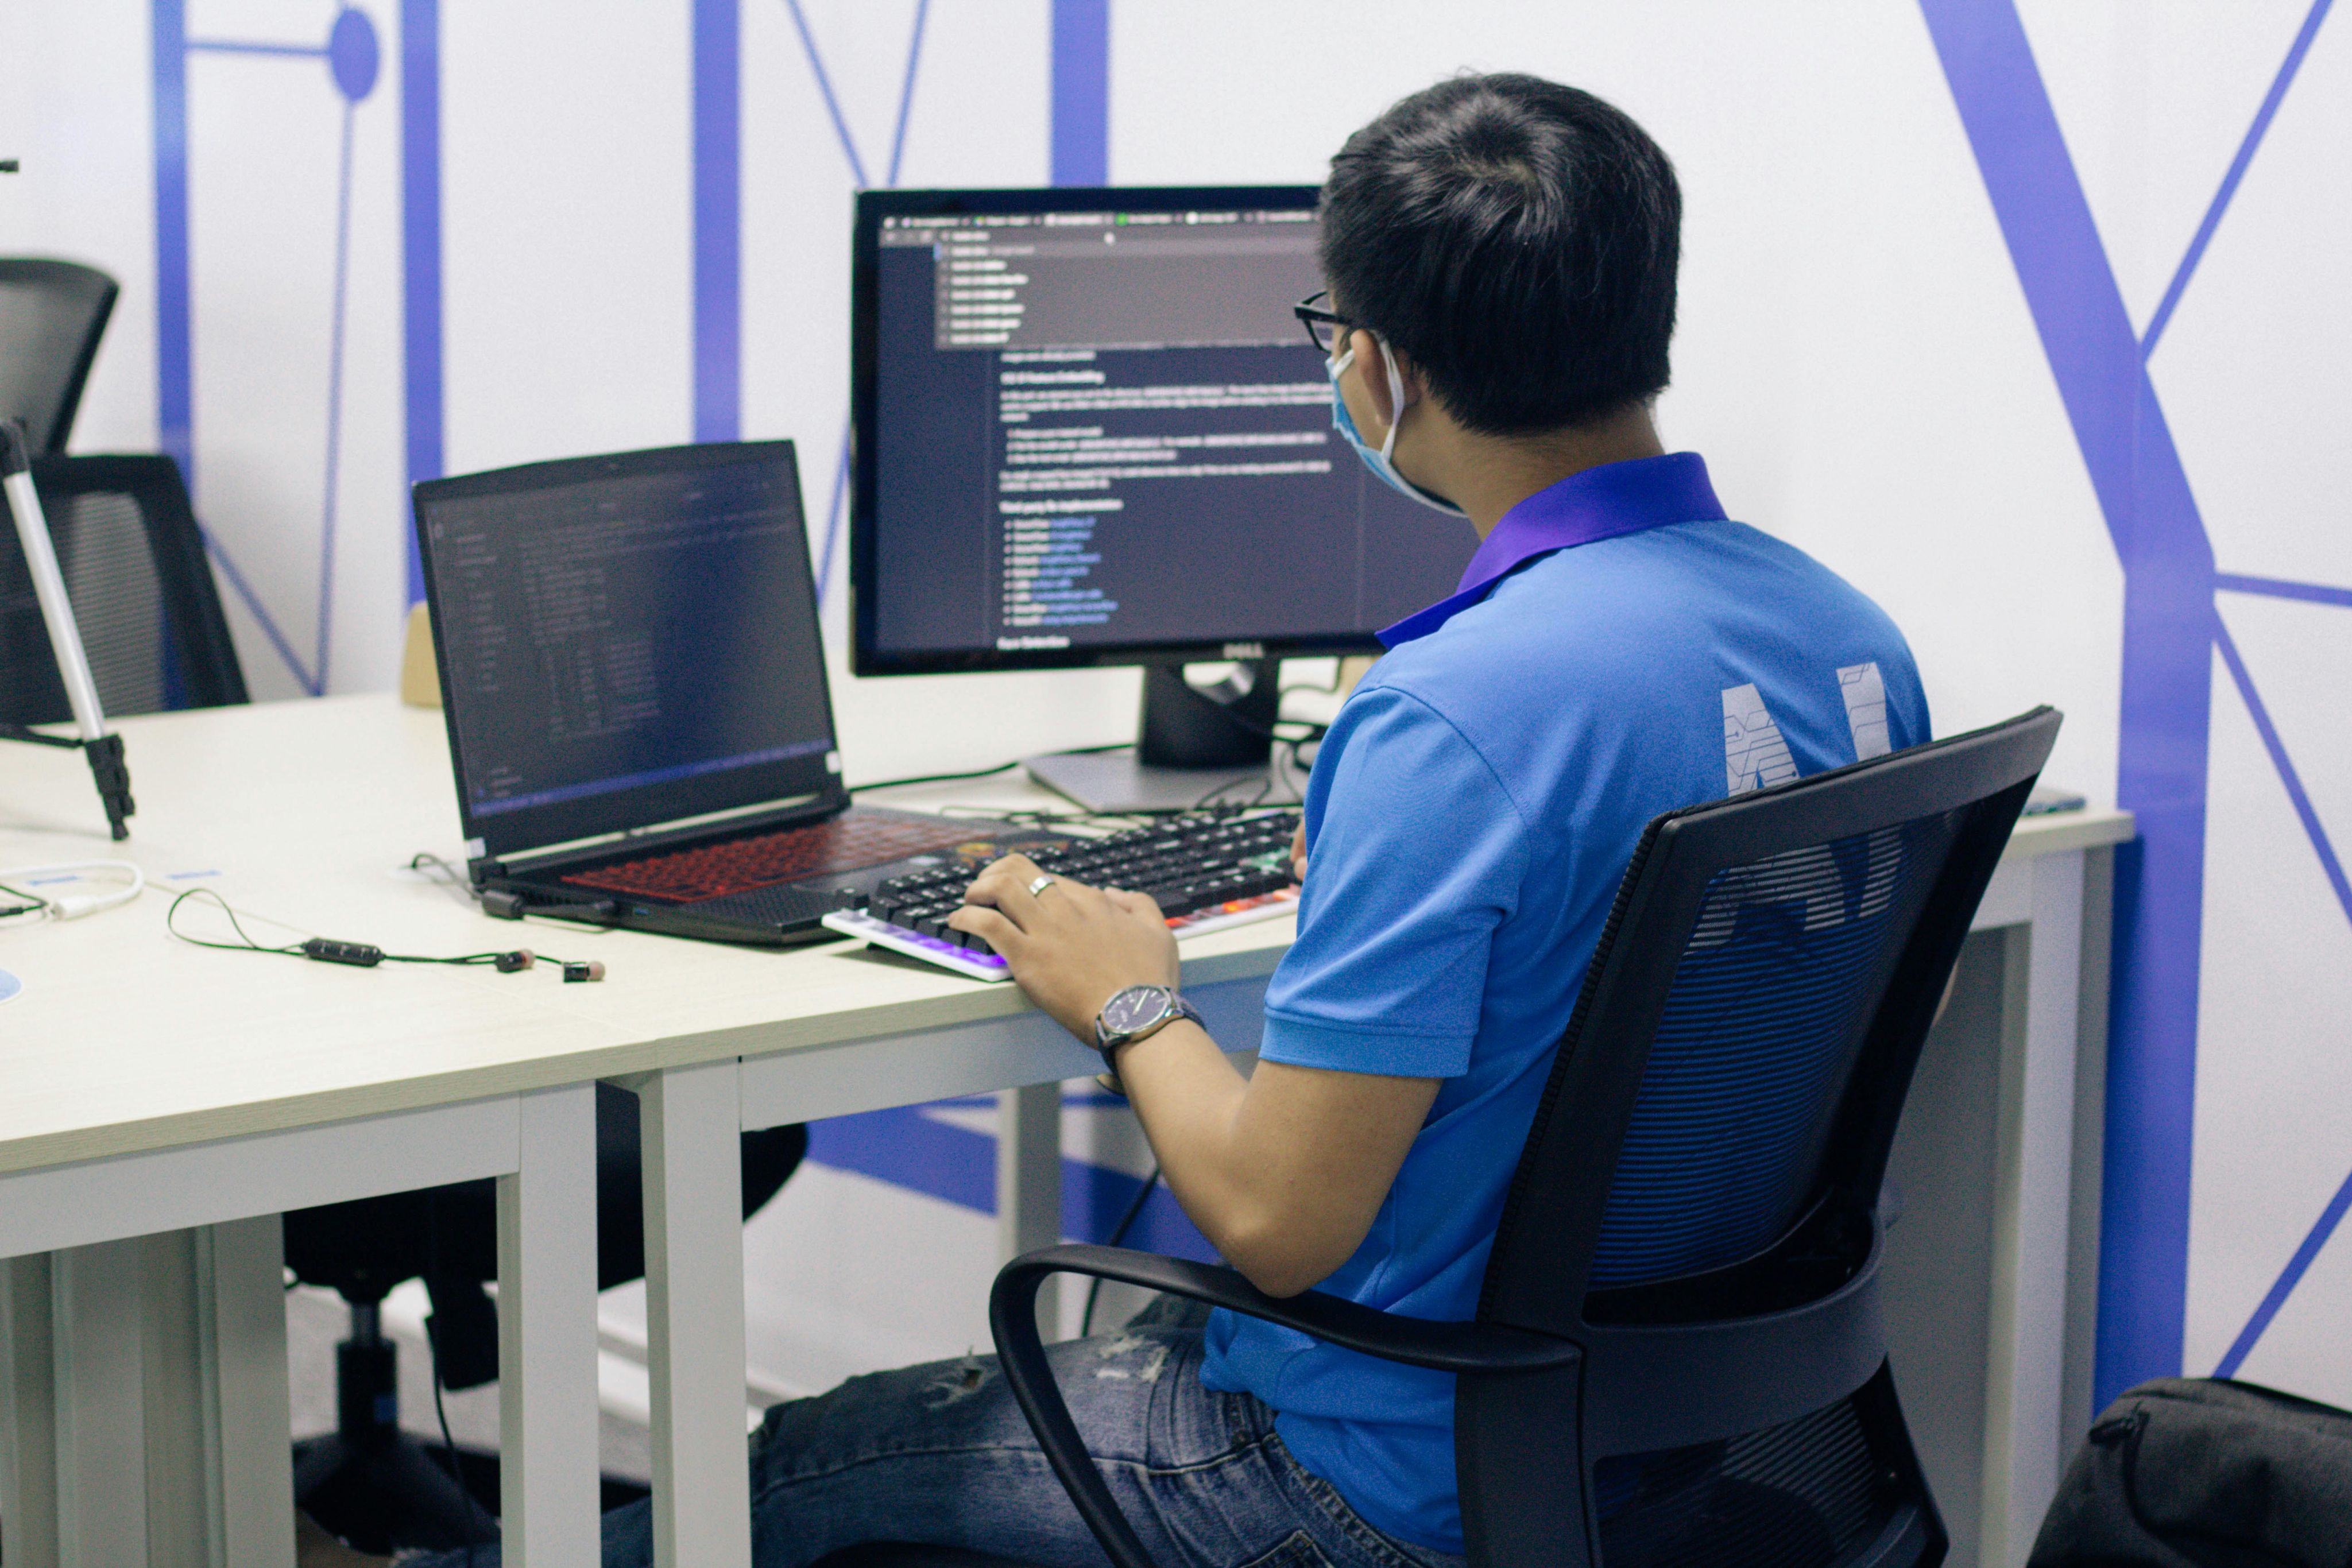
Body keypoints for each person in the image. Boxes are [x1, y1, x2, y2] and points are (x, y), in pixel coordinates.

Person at [364, 71, 1927, 1568]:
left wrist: (1125, 995)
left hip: (1381, 1477)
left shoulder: (1454, 716)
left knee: (798, 1458)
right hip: (1678, 1440)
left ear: (1383, 367)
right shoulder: (1852, 637)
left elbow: (1275, 1225)